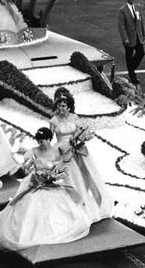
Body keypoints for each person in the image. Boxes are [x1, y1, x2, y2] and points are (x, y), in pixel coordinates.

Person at [0, 127, 92, 251]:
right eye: (38, 141)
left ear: (49, 139)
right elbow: (25, 167)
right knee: (30, 202)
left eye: (43, 140)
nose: (40, 143)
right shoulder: (33, 151)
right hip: (35, 182)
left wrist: (56, 174)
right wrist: (26, 166)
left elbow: (66, 161)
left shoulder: (57, 150)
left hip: (52, 184)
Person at [50, 89, 113, 222]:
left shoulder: (74, 118)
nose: (61, 108)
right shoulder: (53, 121)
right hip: (62, 151)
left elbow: (78, 132)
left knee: (84, 176)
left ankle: (89, 206)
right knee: (69, 179)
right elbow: (50, 139)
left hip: (77, 150)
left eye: (63, 106)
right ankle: (71, 207)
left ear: (69, 106)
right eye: (59, 105)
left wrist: (79, 139)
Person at [118, 0, 145, 85]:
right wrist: (125, 38)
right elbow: (121, 26)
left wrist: (143, 34)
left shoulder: (137, 7)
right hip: (129, 37)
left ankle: (131, 69)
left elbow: (141, 22)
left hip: (138, 36)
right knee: (129, 56)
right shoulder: (123, 10)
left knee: (141, 53)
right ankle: (132, 75)